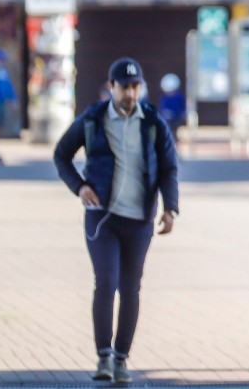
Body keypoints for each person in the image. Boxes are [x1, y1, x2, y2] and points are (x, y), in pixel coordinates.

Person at [53, 57, 179, 386]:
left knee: (131, 288)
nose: (131, 93)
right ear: (111, 87)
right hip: (102, 218)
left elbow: (168, 167)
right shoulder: (93, 119)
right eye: (125, 87)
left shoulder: (153, 122)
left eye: (136, 86)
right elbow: (61, 154)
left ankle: (122, 359)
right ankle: (104, 356)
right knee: (106, 282)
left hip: (139, 220)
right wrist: (79, 186)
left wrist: (171, 208)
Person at [156, 74, 186, 138]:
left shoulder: (179, 96)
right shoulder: (165, 97)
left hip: (176, 118)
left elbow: (182, 107)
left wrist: (183, 112)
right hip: (167, 120)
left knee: (174, 130)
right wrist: (166, 113)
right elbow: (163, 109)